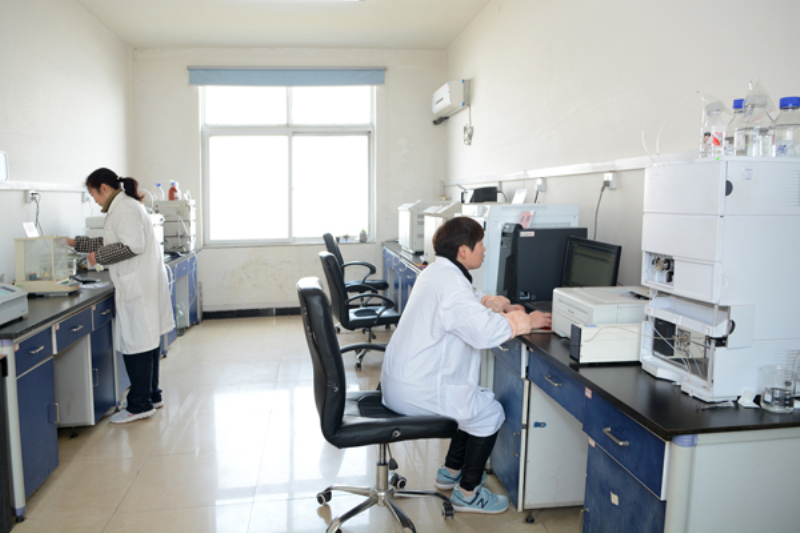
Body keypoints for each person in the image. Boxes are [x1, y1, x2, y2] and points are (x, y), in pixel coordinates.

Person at [380, 216, 551, 514]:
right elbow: (484, 332)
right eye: (481, 244)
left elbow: (465, 299)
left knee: (473, 400)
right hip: (418, 389)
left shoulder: (437, 273)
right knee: (489, 413)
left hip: (403, 381)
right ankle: (468, 493)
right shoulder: (450, 284)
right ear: (463, 251)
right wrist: (527, 320)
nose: (484, 250)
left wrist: (490, 301)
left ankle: (450, 471)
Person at [69, 168, 174, 424]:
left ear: (104, 188)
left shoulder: (124, 208)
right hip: (142, 284)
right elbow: (111, 240)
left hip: (138, 286)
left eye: (94, 195)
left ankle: (139, 405)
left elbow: (133, 245)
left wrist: (98, 257)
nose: (95, 200)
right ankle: (152, 395)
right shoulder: (122, 206)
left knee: (137, 345)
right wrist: (74, 243)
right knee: (147, 342)